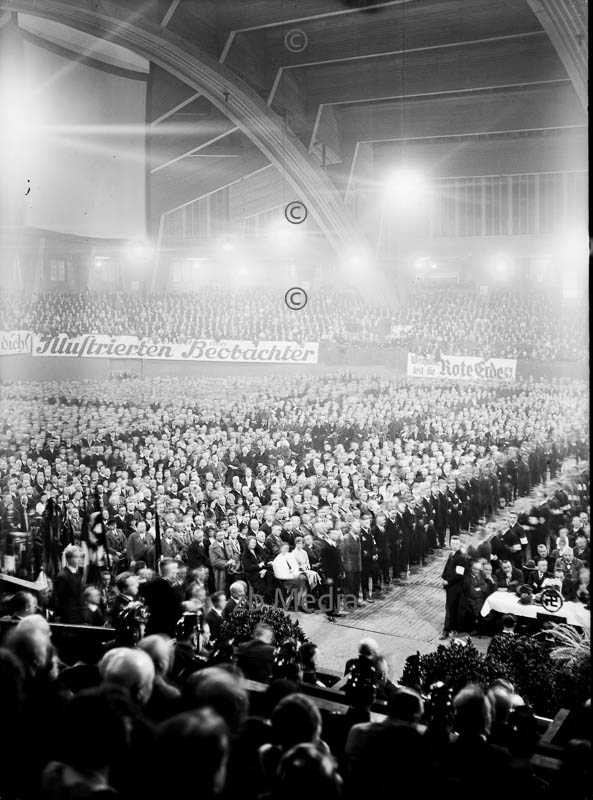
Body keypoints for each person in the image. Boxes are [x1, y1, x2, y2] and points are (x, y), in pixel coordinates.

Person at [439, 534, 468, 639]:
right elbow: (447, 568)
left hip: (455, 588)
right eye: (453, 543)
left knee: (450, 609)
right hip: (450, 587)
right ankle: (452, 628)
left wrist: (448, 582)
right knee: (450, 608)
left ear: (460, 544)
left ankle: (446, 630)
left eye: (456, 544)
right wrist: (443, 577)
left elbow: (459, 575)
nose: (454, 545)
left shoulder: (461, 557)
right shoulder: (452, 554)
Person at [51, 545, 85, 624]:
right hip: (68, 617)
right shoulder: (63, 576)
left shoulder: (77, 573)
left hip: (78, 614)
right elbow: (57, 597)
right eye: (78, 557)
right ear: (70, 559)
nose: (80, 559)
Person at [320, 529, 344, 620]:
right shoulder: (326, 548)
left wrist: (342, 572)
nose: (337, 536)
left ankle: (335, 611)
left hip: (337, 574)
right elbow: (325, 564)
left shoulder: (335, 546)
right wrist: (328, 577)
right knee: (330, 594)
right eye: (335, 534)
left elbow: (339, 561)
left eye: (338, 534)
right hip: (330, 576)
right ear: (329, 535)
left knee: (336, 593)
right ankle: (329, 613)